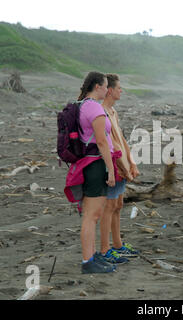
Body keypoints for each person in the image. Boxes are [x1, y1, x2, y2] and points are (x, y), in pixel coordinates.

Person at [76, 71, 118, 274]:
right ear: (97, 87)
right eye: (105, 85)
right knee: (91, 216)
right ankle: (87, 261)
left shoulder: (85, 105)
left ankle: (91, 258)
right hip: (95, 164)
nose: (107, 89)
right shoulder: (93, 107)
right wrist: (110, 170)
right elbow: (101, 141)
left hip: (91, 164)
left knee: (93, 214)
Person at [99, 73, 140, 262]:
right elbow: (111, 145)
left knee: (118, 205)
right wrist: (123, 167)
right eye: (118, 88)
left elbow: (122, 140)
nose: (121, 91)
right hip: (114, 166)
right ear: (110, 90)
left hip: (122, 164)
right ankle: (106, 250)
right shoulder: (102, 112)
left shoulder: (113, 112)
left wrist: (131, 163)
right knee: (109, 206)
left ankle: (118, 244)